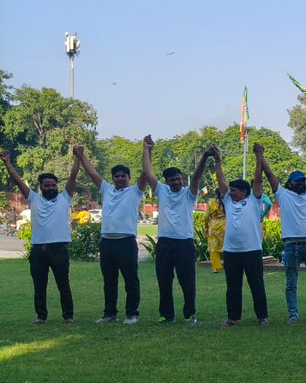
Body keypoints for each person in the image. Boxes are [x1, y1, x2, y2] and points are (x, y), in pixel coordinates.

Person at [3, 149, 78, 325]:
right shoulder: (33, 198)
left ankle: (68, 316)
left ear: (57, 186)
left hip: (59, 249)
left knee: (63, 284)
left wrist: (78, 158)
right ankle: (41, 316)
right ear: (41, 187)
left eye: (53, 185)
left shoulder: (65, 198)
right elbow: (17, 180)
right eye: (47, 185)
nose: (51, 188)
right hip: (39, 250)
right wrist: (7, 163)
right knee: (39, 285)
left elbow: (73, 177)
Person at [75, 146, 145, 325]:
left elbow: (146, 172)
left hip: (126, 242)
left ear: (129, 178)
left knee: (130, 280)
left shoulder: (135, 191)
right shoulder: (106, 189)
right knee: (109, 281)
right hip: (107, 242)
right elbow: (92, 173)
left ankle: (132, 314)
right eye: (117, 176)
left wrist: (147, 149)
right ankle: (110, 314)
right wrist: (81, 156)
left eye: (123, 176)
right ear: (112, 178)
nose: (120, 178)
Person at [142, 136, 206, 326]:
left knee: (187, 281)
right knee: (164, 281)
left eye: (178, 179)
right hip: (165, 243)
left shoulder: (189, 193)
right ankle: (166, 314)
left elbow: (197, 176)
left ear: (182, 179)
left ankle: (189, 314)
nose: (176, 182)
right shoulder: (161, 190)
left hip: (184, 242)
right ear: (167, 181)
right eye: (173, 180)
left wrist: (205, 157)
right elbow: (148, 172)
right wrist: (146, 149)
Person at [261, 145, 306, 325]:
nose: (301, 183)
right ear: (290, 183)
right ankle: (293, 315)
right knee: (291, 283)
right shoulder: (283, 195)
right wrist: (261, 156)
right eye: (297, 181)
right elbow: (270, 175)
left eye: (303, 181)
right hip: (292, 245)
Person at [216, 144, 269, 326]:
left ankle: (262, 317)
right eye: (229, 190)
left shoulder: (254, 200)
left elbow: (258, 179)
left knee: (257, 285)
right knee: (232, 287)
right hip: (231, 251)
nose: (229, 192)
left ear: (244, 191)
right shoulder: (228, 202)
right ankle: (233, 318)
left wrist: (259, 157)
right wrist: (217, 160)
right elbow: (221, 180)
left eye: (233, 190)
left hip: (252, 250)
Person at [205, 197, 225, 273]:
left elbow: (206, 216)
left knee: (213, 247)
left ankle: (215, 268)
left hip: (213, 227)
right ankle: (229, 264)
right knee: (226, 246)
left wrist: (206, 227)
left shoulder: (211, 201)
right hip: (225, 225)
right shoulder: (226, 200)